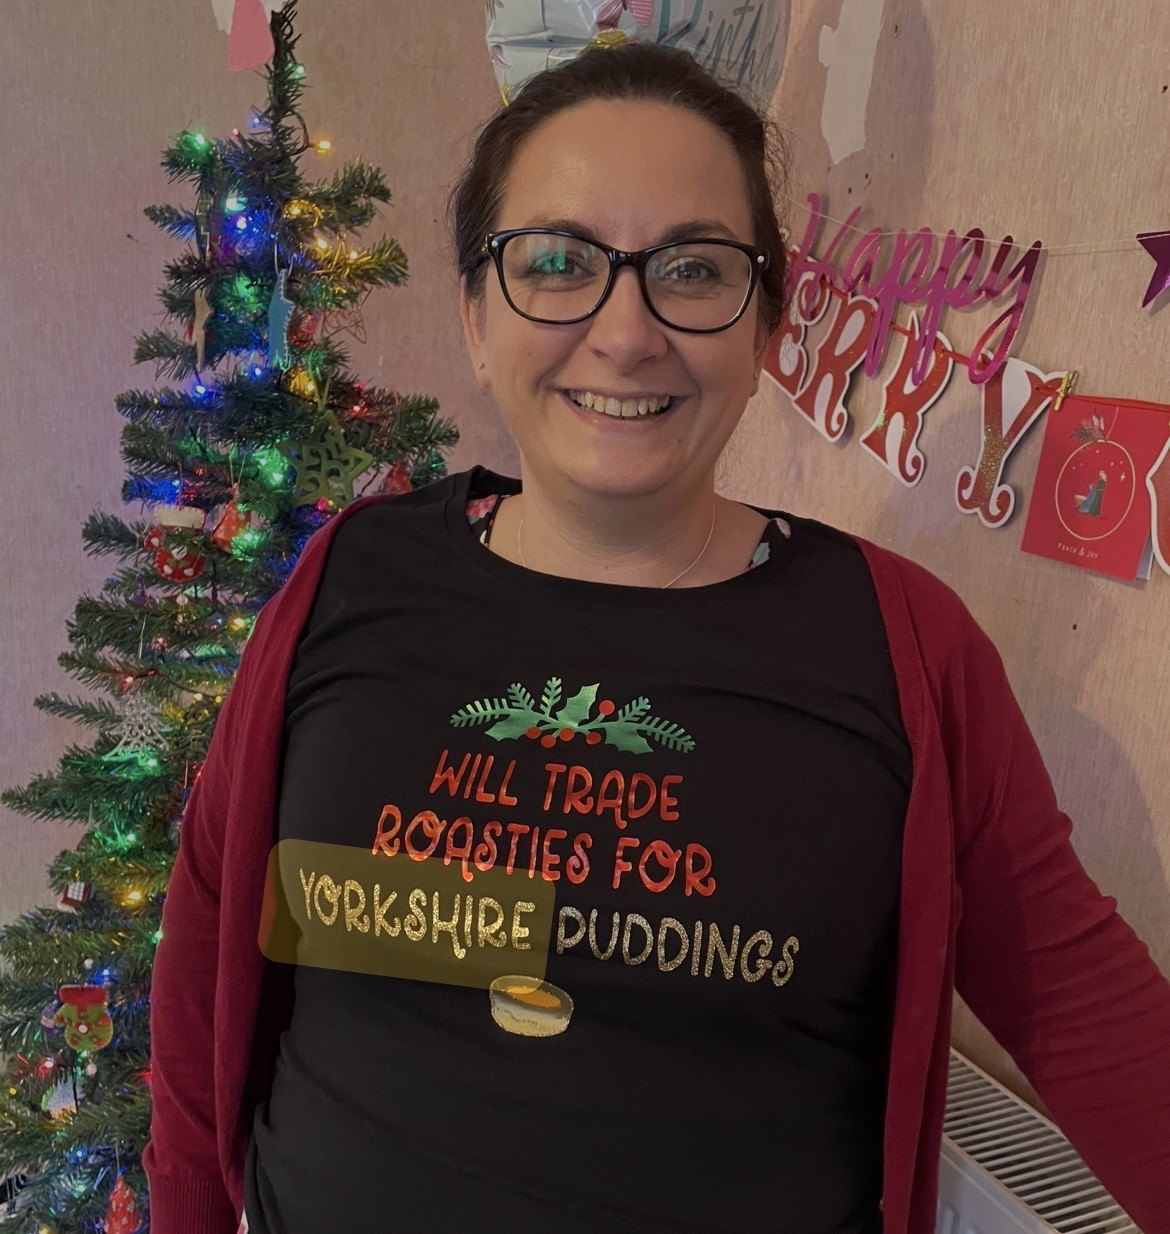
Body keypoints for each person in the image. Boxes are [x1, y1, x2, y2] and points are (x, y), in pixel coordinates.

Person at [143, 40, 1170, 1234]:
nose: (625, 332)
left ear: (767, 331)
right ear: (477, 317)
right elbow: (211, 931)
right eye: (559, 262)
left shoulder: (905, 648)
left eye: (691, 270)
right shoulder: (347, 581)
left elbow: (1086, 1012)